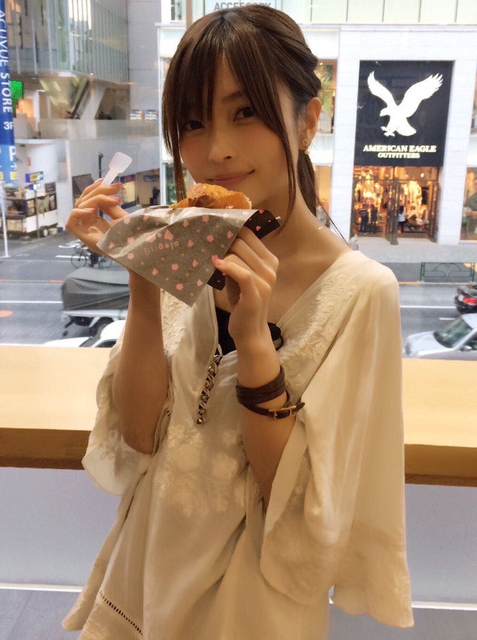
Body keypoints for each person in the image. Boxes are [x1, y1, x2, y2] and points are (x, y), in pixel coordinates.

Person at [62, 6, 413, 639]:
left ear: (308, 121)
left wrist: (254, 344)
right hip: (145, 583)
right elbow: (140, 436)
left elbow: (299, 508)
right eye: (194, 123)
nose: (216, 149)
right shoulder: (188, 246)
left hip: (248, 612)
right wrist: (142, 272)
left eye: (245, 111)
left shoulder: (360, 293)